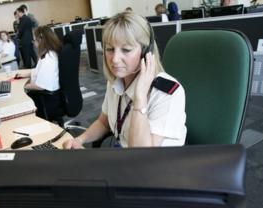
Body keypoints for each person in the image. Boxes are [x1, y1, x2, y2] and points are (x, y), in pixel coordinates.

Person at [63, 12, 186, 149]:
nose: (114, 59)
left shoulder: (166, 94)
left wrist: (140, 98)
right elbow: (104, 123)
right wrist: (80, 140)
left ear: (146, 52)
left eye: (126, 50)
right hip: (124, 155)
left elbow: (142, 155)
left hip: (157, 165)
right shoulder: (116, 81)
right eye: (110, 49)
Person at [13, 26, 62, 119]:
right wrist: (26, 74)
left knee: (19, 101)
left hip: (47, 99)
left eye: (34, 40)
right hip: (52, 95)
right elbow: (39, 70)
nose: (33, 42)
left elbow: (40, 86)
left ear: (41, 40)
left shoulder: (48, 59)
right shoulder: (49, 53)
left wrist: (20, 86)